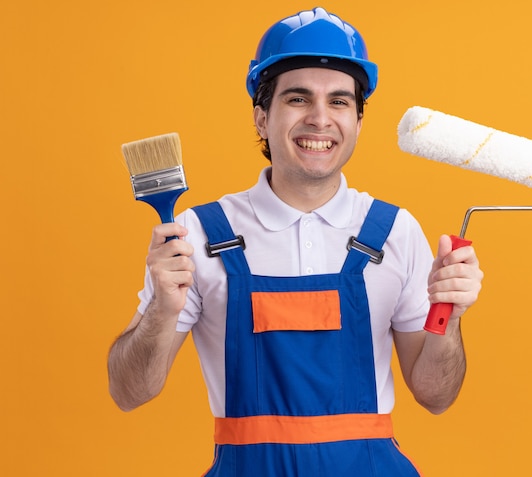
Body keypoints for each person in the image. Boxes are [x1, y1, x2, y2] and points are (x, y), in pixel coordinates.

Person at [108, 7, 483, 476]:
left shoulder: (395, 231)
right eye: (299, 99)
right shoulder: (196, 235)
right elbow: (129, 392)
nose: (320, 119)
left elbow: (435, 396)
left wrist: (449, 317)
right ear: (262, 118)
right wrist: (161, 310)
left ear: (359, 123)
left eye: (340, 101)